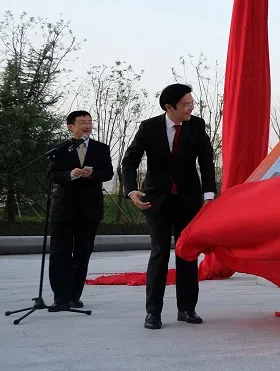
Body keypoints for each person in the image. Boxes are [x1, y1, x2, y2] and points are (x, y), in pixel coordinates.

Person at [122, 83, 216, 330]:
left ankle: (186, 309)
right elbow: (129, 161)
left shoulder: (196, 125)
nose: (191, 108)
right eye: (186, 105)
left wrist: (209, 196)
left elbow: (206, 161)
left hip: (188, 199)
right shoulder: (149, 127)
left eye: (192, 103)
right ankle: (153, 313)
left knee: (187, 253)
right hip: (156, 200)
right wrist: (131, 191)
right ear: (169, 107)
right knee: (160, 252)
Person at [47, 111, 114, 311]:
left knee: (83, 253)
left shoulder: (101, 149)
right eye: (82, 122)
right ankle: (60, 298)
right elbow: (52, 175)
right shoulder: (59, 149)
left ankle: (75, 296)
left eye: (89, 122)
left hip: (89, 208)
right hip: (64, 209)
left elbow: (108, 172)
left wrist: (93, 173)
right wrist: (69, 174)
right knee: (60, 253)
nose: (87, 126)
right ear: (70, 127)